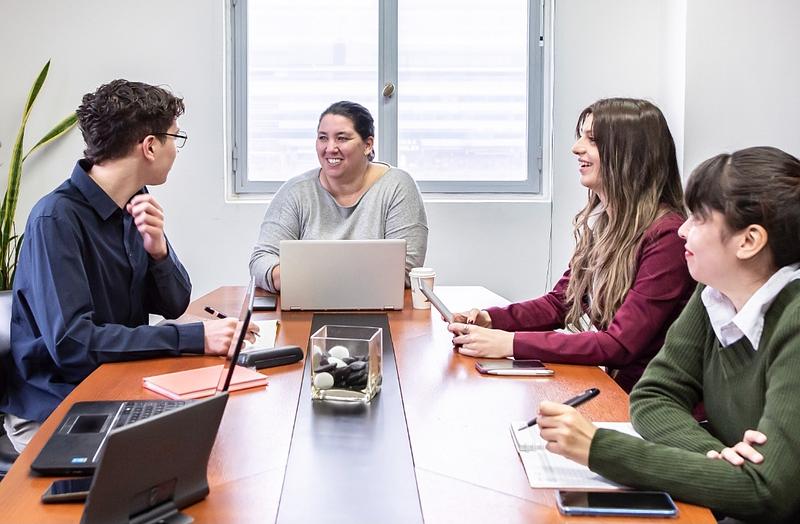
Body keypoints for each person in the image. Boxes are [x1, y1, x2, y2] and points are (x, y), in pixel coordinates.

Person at [538, 146, 800, 522]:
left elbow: (768, 491)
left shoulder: (793, 319)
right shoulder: (714, 292)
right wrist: (716, 458)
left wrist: (601, 449)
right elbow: (653, 395)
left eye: (698, 219)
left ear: (748, 241)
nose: (681, 229)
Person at [0, 80, 252, 452]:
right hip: (54, 406)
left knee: (217, 436)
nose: (176, 150)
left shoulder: (134, 202)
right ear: (150, 146)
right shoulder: (56, 219)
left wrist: (159, 251)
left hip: (113, 387)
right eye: (175, 139)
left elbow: (174, 303)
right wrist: (194, 337)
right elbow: (72, 344)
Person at [448, 98, 694, 392]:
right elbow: (561, 302)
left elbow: (618, 345)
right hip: (619, 388)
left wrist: (510, 343)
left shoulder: (667, 237)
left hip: (650, 401)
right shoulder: (610, 225)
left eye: (593, 140)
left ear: (630, 154)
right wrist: (491, 319)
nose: (577, 148)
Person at [249, 101, 428, 293]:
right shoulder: (296, 191)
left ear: (367, 145)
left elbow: (405, 268)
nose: (330, 148)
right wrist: (285, 276)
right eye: (323, 138)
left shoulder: (397, 186)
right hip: (308, 302)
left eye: (342, 138)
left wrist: (308, 276)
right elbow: (261, 259)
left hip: (379, 306)